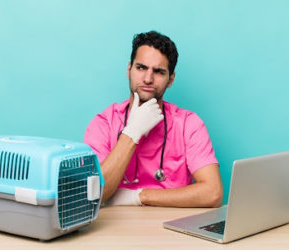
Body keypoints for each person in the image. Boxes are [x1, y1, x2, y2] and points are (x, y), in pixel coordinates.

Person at [84, 31, 223, 207]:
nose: (148, 79)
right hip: (116, 228)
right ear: (129, 69)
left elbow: (213, 193)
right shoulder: (104, 123)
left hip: (172, 227)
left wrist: (139, 196)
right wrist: (132, 133)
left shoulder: (188, 124)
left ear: (170, 79)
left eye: (158, 71)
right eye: (141, 67)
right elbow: (94, 193)